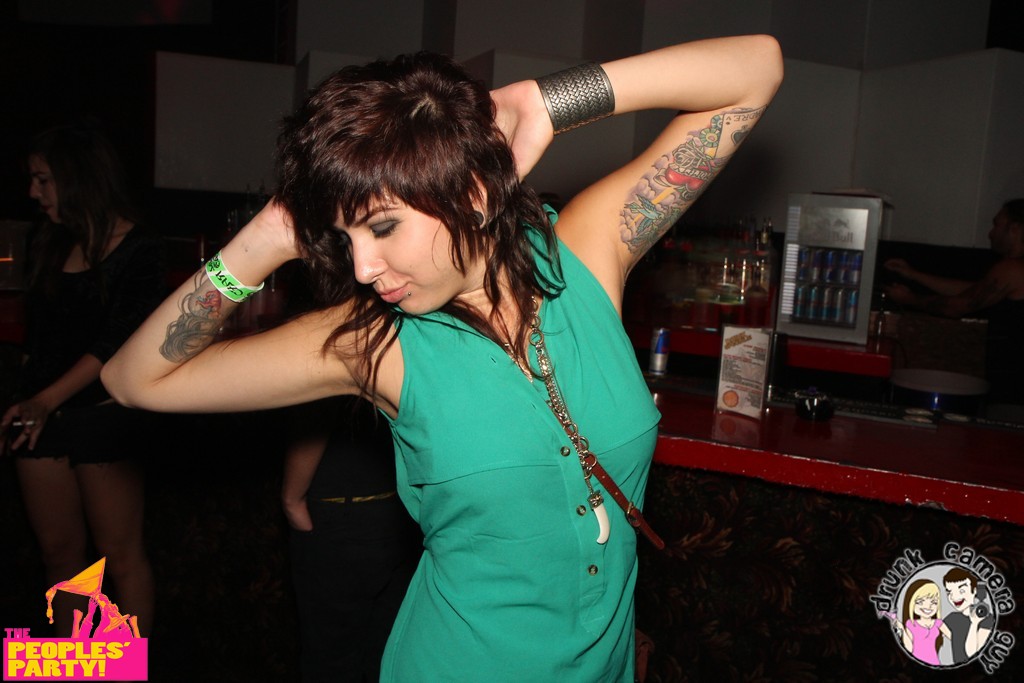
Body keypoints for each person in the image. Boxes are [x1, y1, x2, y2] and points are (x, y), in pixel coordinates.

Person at [102, 35, 783, 681]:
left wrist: (548, 101)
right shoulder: (373, 344)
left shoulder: (587, 255)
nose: (362, 267)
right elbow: (136, 380)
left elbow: (757, 68)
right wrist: (265, 240)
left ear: (474, 193)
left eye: (383, 226)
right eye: (346, 237)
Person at [0, 123, 164, 637]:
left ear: (78, 178)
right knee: (60, 554)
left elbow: (117, 343)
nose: (33, 192)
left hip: (104, 416)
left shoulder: (140, 248)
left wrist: (45, 399)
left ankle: (130, 669)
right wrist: (29, 396)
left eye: (43, 179)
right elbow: (38, 336)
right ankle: (73, 665)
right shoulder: (47, 240)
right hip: (42, 414)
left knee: (120, 556)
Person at [283, 395, 421, 682]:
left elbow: (315, 416)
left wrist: (291, 499)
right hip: (396, 515)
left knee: (334, 656)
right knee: (385, 646)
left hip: (348, 519)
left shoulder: (339, 368)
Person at [884, 199, 1024, 411]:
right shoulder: (1013, 271)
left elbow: (957, 306)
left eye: (997, 225)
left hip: (1015, 394)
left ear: (1015, 228)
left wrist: (909, 299)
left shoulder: (1012, 269)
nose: (991, 233)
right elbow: (971, 291)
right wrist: (913, 275)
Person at [942, 567, 995, 664]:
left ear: (974, 591)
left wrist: (974, 623)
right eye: (949, 592)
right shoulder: (952, 618)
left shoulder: (987, 619)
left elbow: (972, 653)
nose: (954, 597)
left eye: (961, 591)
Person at [897, 579, 951, 666]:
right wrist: (902, 629)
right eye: (920, 602)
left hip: (934, 662)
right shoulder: (911, 624)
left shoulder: (938, 623)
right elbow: (909, 649)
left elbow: (954, 638)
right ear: (911, 603)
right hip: (915, 663)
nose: (928, 606)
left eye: (934, 602)